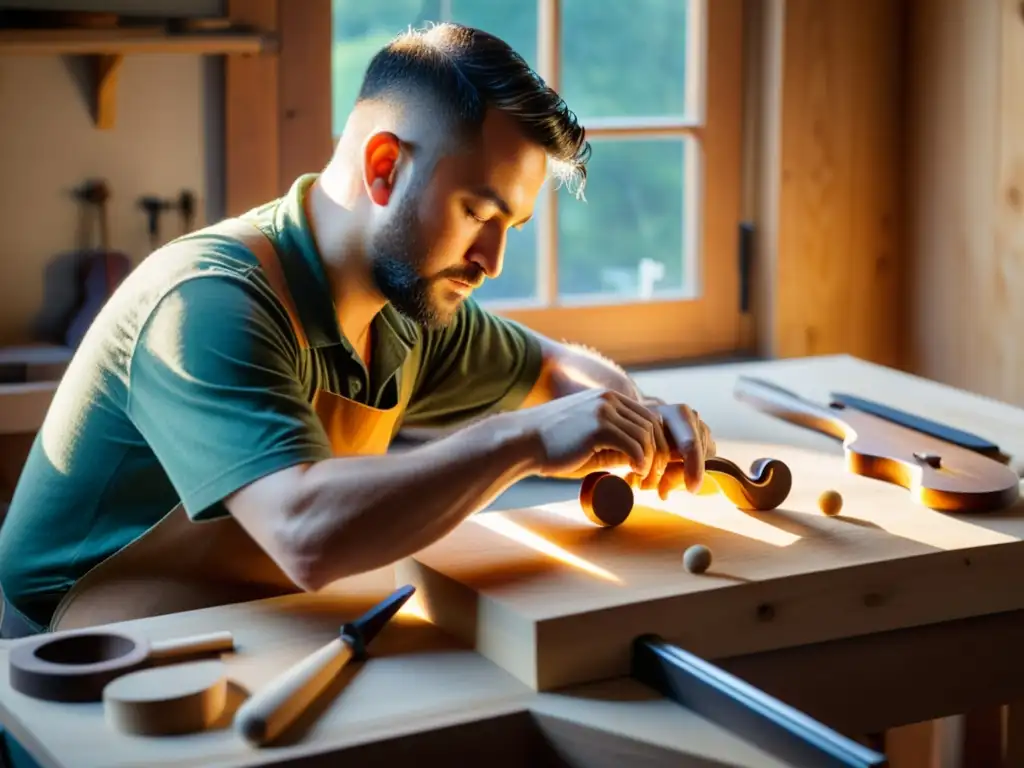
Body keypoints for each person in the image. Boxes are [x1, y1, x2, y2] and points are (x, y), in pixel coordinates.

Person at [0, 22, 714, 639]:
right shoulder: (207, 303)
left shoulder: (405, 305)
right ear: (383, 167)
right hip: (68, 669)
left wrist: (634, 416)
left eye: (511, 229)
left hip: (251, 632)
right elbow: (304, 535)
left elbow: (555, 368)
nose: (491, 262)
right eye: (478, 213)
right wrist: (521, 439)